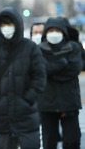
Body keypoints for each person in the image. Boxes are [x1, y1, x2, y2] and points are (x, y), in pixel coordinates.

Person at [0, 7, 46, 149]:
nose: (7, 28)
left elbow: (39, 77)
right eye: (3, 24)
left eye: (10, 24)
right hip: (1, 114)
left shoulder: (30, 47)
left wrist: (28, 99)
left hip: (26, 113)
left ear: (18, 25)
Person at [38, 17, 82, 149]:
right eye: (51, 30)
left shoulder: (73, 47)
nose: (54, 33)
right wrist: (62, 64)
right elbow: (41, 70)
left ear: (63, 32)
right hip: (47, 104)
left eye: (57, 30)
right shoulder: (39, 49)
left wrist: (51, 71)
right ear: (46, 33)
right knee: (49, 141)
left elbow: (74, 69)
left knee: (72, 141)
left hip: (69, 102)